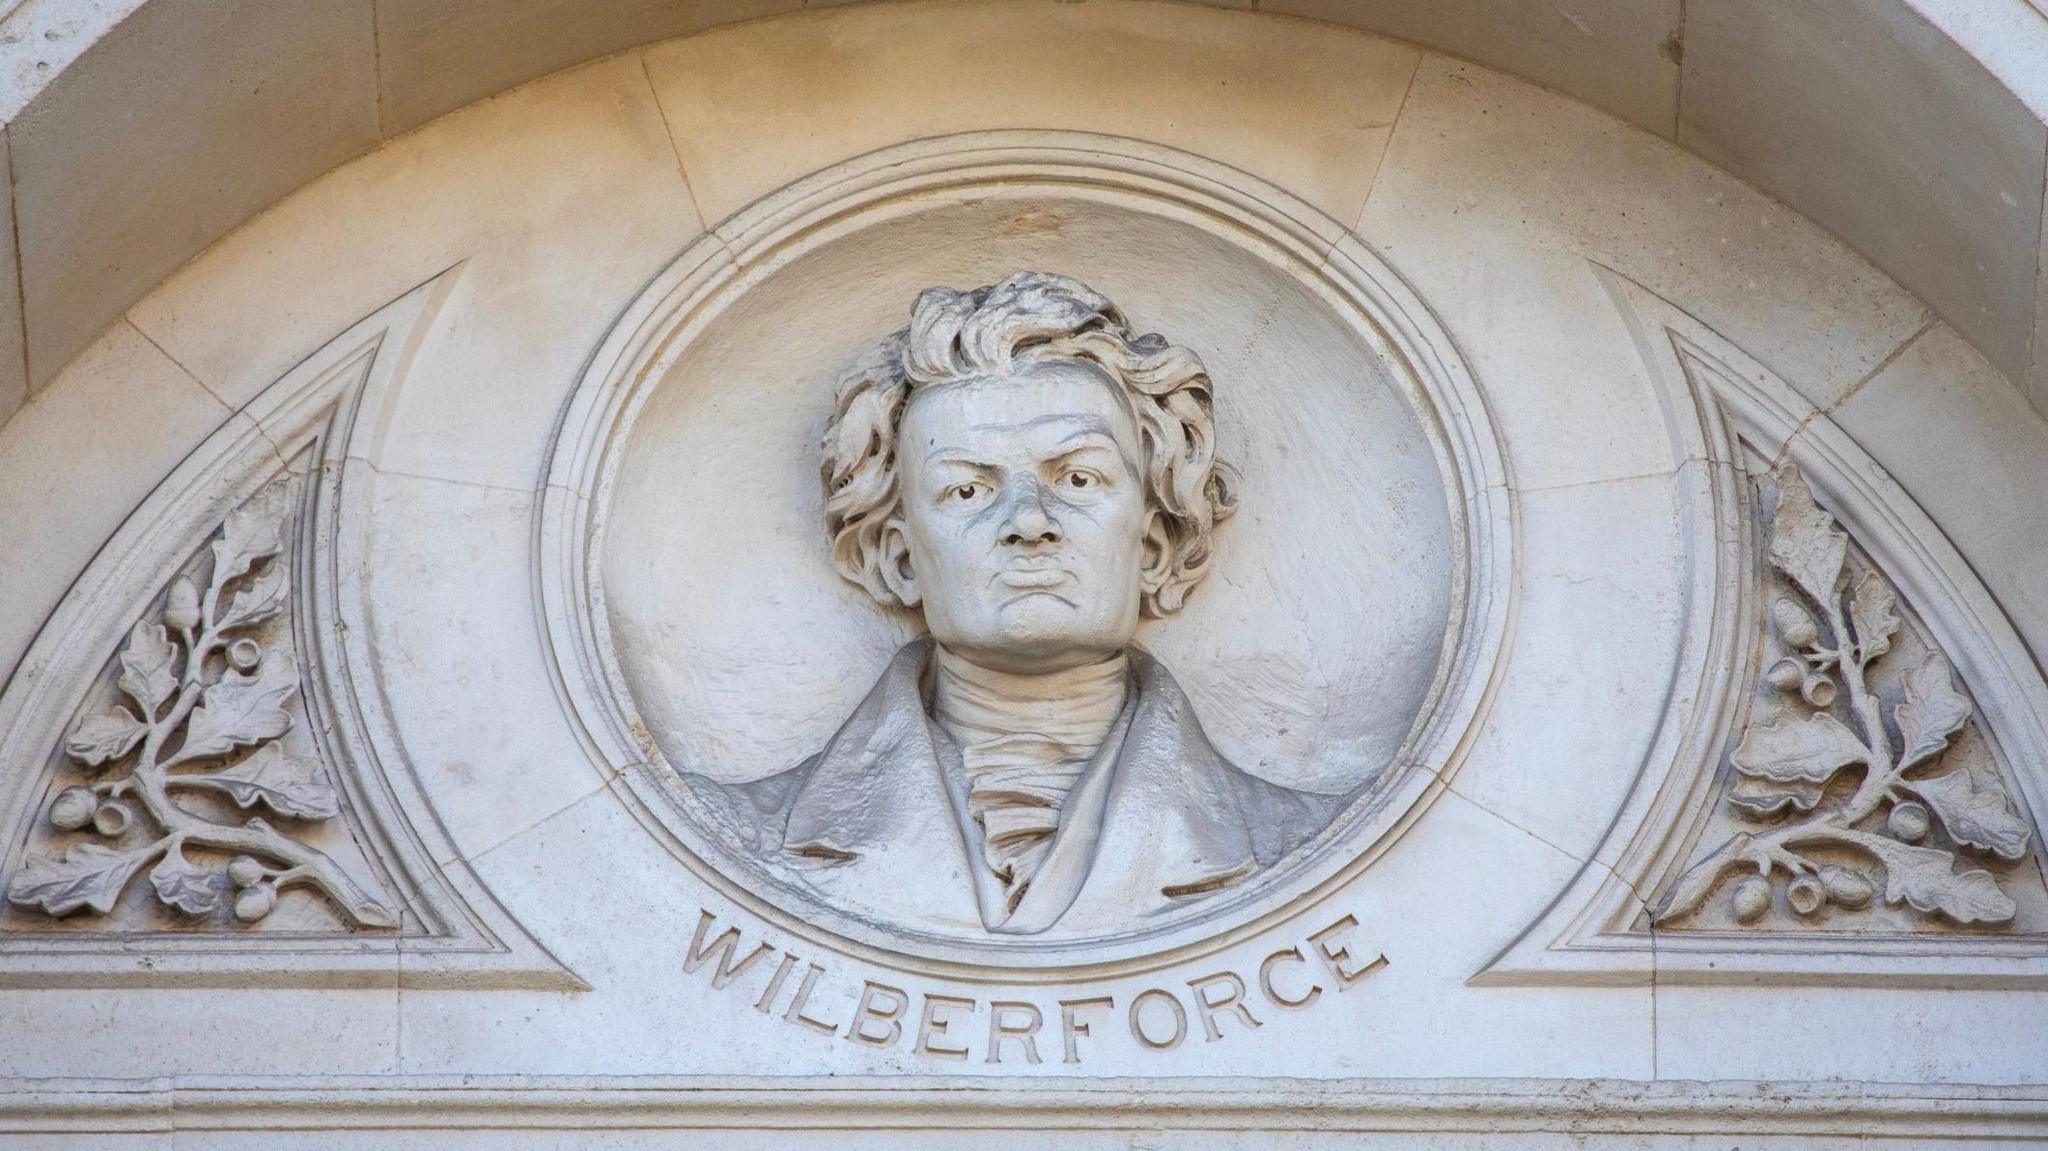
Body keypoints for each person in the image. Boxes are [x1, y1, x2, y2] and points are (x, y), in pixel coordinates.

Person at [701, 272, 1342, 938]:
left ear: (1152, 544)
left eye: (1078, 478)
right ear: (900, 557)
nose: (1030, 522)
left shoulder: (1303, 843)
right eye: (969, 490)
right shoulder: (731, 837)